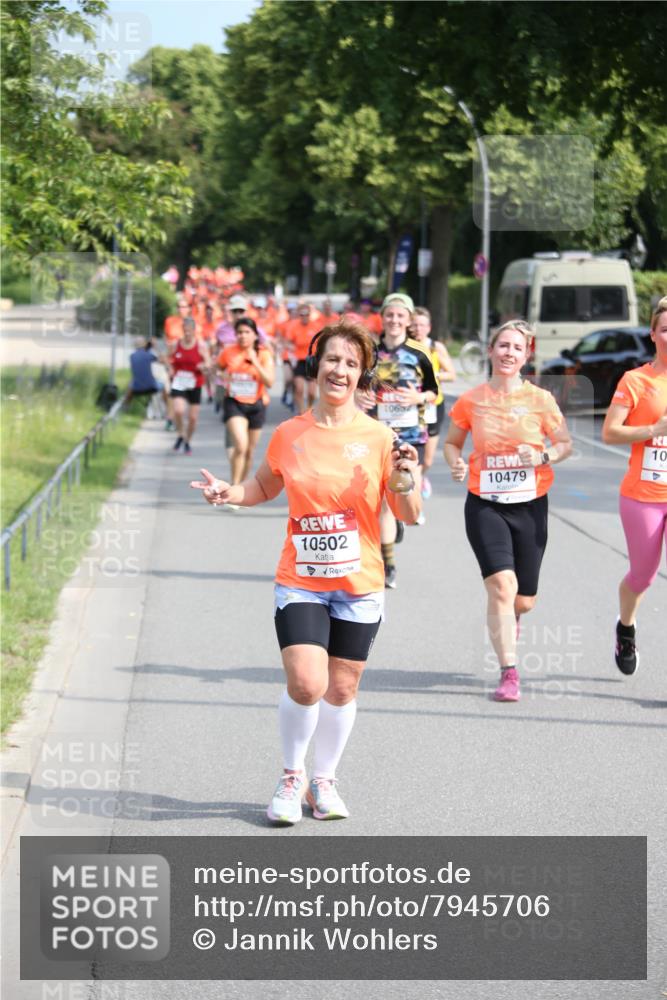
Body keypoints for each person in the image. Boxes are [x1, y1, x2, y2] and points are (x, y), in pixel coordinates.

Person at [191, 322, 421, 824]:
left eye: (352, 364)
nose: (340, 370)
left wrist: (407, 475)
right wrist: (228, 493)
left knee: (342, 688)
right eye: (333, 359)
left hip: (359, 583)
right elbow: (262, 486)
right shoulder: (290, 433)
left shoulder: (380, 438)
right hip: (302, 579)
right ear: (317, 366)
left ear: (362, 376)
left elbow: (406, 512)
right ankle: (291, 777)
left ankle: (324, 781)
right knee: (306, 683)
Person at [444, 319, 572, 702]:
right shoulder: (472, 400)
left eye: (517, 348)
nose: (509, 353)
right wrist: (455, 462)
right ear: (490, 350)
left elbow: (564, 444)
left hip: (530, 506)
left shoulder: (541, 400)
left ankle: (513, 616)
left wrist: (544, 456)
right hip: (485, 504)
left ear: (526, 356)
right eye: (503, 345)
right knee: (501, 586)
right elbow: (452, 443)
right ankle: (509, 673)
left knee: (523, 600)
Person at [601, 296, 667, 675]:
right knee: (642, 576)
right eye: (666, 328)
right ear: (653, 334)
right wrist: (653, 430)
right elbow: (610, 432)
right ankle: (626, 627)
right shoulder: (637, 380)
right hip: (643, 496)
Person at [360, 292, 438, 586]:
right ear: (382, 317)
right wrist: (359, 398)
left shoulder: (420, 352)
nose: (394, 320)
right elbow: (357, 386)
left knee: (406, 497)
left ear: (408, 320)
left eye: (400, 315)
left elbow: (434, 392)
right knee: (382, 501)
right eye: (390, 315)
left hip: (411, 436)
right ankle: (388, 564)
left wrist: (418, 397)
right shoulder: (370, 351)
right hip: (377, 434)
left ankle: (397, 521)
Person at [217, 317, 275, 484]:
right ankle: (234, 485)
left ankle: (241, 486)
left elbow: (270, 382)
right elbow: (218, 369)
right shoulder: (228, 352)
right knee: (241, 445)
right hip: (234, 402)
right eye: (239, 332)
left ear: (255, 335)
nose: (242, 336)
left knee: (249, 451)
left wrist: (255, 361)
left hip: (257, 404)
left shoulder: (264, 354)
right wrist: (222, 375)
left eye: (247, 332)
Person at [411, 306, 456, 500]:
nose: (418, 329)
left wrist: (433, 374)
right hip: (410, 407)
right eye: (414, 325)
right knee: (412, 454)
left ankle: (421, 477)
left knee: (427, 459)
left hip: (431, 405)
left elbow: (452, 374)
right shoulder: (404, 347)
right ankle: (413, 490)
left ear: (429, 327)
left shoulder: (435, 347)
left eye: (422, 325)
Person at [169, 317, 211, 455]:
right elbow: (168, 359)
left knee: (193, 418)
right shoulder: (176, 344)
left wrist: (203, 366)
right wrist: (169, 368)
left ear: (194, 330)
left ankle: (187, 440)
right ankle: (181, 434)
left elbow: (208, 363)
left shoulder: (201, 346)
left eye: (189, 331)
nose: (187, 333)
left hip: (195, 383)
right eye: (185, 330)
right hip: (179, 382)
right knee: (178, 411)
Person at [283, 300, 323, 413]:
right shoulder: (294, 326)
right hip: (299, 360)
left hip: (312, 360)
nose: (304, 317)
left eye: (307, 314)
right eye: (302, 315)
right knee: (299, 388)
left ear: (310, 314)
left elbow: (323, 343)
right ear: (299, 315)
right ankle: (301, 411)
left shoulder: (316, 326)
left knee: (312, 392)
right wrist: (290, 347)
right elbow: (287, 342)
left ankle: (309, 407)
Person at [124, 337, 163, 407]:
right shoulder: (148, 355)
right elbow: (162, 360)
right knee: (164, 386)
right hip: (151, 387)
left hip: (136, 388)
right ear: (144, 344)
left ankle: (126, 406)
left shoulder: (132, 356)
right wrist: (155, 347)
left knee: (130, 384)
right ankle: (169, 411)